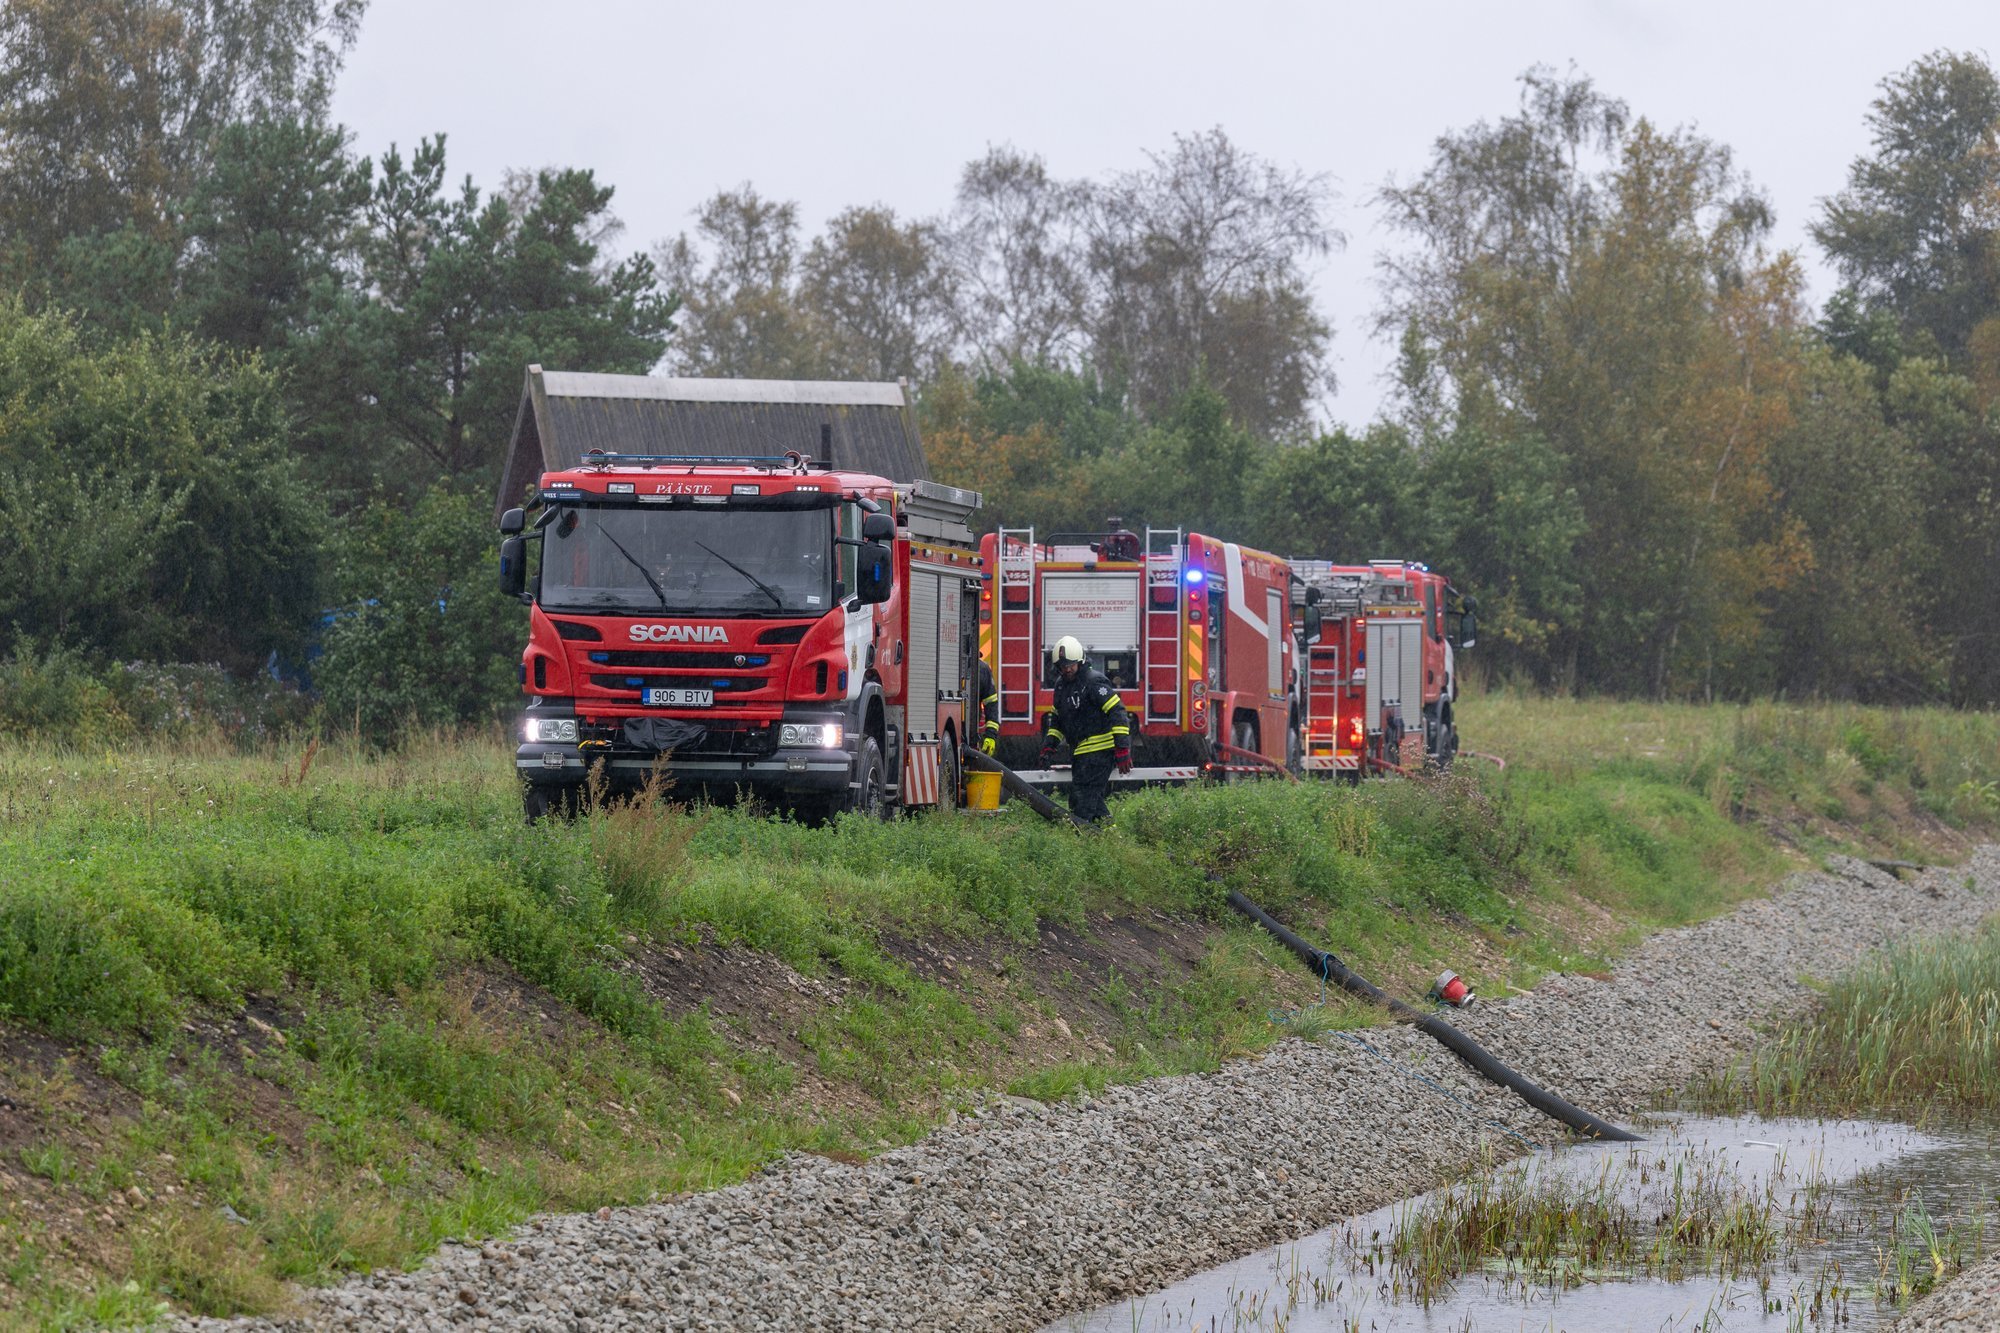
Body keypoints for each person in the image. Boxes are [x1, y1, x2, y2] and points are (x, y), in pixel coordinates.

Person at [1038, 635, 1131, 824]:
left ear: (1080, 661)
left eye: (1071, 665)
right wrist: (1049, 747)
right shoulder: (1061, 686)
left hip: (1101, 752)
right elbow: (1057, 721)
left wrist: (1122, 749)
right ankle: (1107, 835)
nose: (1067, 669)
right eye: (1063, 666)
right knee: (1090, 799)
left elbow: (1117, 713)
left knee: (1082, 800)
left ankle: (1082, 839)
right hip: (1081, 753)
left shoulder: (1094, 682)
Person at [977, 659, 1001, 755]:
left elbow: (991, 704)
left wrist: (991, 735)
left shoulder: (981, 669)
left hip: (969, 733)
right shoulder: (981, 668)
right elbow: (991, 705)